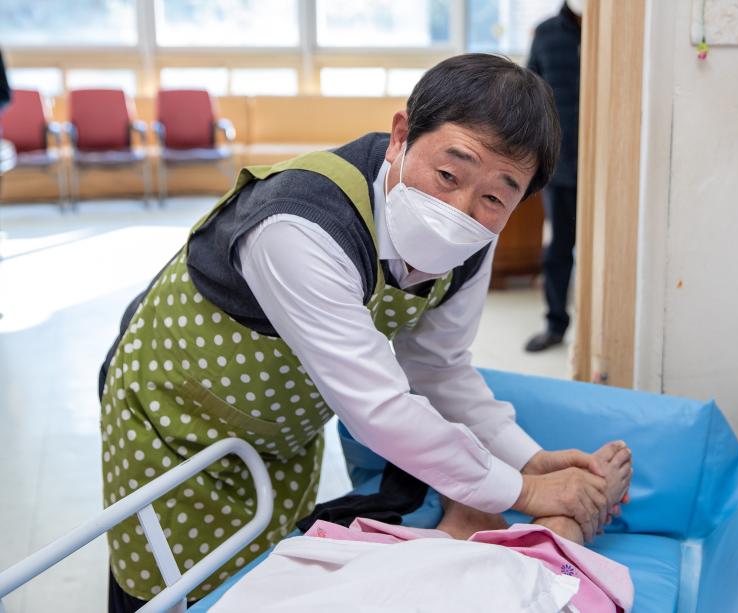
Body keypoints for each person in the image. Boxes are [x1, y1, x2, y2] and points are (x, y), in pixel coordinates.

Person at [99, 53, 631, 611]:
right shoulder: (299, 224)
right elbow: (379, 408)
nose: (461, 209)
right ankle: (507, 526)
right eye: (448, 175)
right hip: (175, 416)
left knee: (267, 579)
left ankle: (511, 530)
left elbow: (438, 367)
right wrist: (528, 491)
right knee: (164, 588)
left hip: (282, 429)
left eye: (496, 197)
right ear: (402, 136)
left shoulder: (475, 236)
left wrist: (527, 459)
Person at [524, 0, 583, 352]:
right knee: (559, 248)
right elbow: (530, 99)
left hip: (608, 169)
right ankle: (555, 324)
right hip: (560, 167)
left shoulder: (614, 34)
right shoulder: (546, 34)